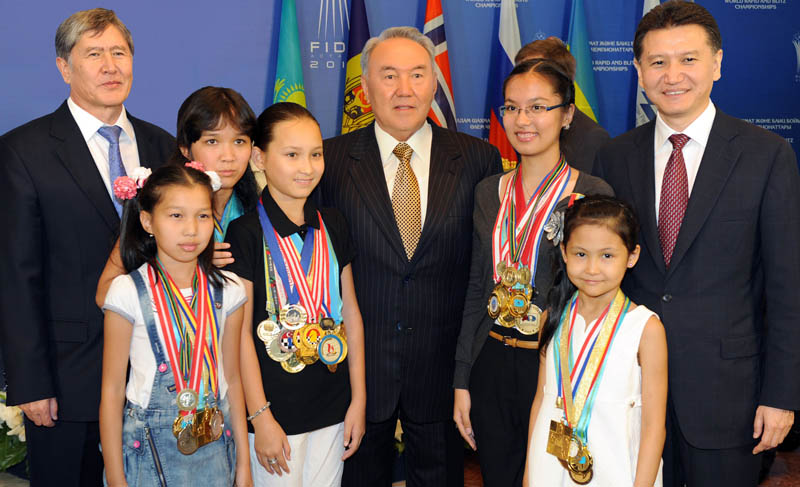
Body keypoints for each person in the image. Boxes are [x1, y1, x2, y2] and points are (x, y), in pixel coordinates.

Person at [593, 2, 800, 485]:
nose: (673, 76)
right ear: (639, 71)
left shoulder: (766, 155)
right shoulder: (614, 157)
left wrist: (782, 394)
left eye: (688, 59)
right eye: (657, 62)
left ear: (717, 63)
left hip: (730, 399)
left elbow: (788, 288)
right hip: (630, 395)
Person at [319, 26, 502, 486]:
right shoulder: (328, 161)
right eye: (389, 76)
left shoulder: (478, 159)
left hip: (442, 372)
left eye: (418, 75)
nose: (405, 89)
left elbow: (485, 268)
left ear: (433, 84)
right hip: (358, 374)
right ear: (365, 88)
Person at [0, 8, 174, 485]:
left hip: (158, 378)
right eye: (94, 54)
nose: (110, 66)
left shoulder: (163, 148)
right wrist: (30, 382)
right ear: (64, 67)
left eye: (119, 52)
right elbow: (16, 276)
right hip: (68, 381)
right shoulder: (23, 151)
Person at [453, 59, 613, 486]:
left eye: (538, 107)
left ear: (567, 114)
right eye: (512, 107)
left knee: (555, 476)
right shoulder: (488, 192)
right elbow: (476, 288)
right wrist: (462, 379)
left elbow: (601, 293)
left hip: (557, 368)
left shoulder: (591, 194)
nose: (522, 120)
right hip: (491, 363)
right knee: (499, 475)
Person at [225, 102, 366, 486]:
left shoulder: (333, 223)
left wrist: (359, 399)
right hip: (275, 411)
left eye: (315, 154)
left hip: (334, 405)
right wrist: (260, 417)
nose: (307, 167)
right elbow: (240, 335)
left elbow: (351, 314)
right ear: (260, 159)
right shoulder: (245, 232)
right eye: (292, 155)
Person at [100, 163, 251, 486]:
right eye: (176, 216)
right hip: (146, 458)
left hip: (216, 451)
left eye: (203, 215)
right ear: (147, 221)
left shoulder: (230, 290)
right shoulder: (127, 291)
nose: (191, 230)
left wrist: (244, 467)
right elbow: (111, 391)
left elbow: (233, 379)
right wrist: (115, 477)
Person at [524, 195, 667, 487]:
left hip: (617, 469)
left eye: (607, 256)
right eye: (580, 254)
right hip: (550, 466)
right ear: (564, 252)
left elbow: (654, 426)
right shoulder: (552, 317)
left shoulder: (645, 328)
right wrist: (529, 474)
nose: (592, 268)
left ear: (632, 256)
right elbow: (541, 399)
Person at [95, 86, 260, 306]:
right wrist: (185, 262)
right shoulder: (159, 202)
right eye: (212, 141)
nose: (228, 156)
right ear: (185, 149)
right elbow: (104, 294)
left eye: (239, 141)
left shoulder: (257, 208)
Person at [515, 37, 610, 173]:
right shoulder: (521, 125)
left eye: (534, 72)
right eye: (520, 71)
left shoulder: (592, 139)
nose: (523, 80)